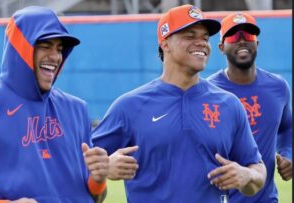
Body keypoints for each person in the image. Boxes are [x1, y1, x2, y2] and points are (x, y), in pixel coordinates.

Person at [89, 5, 266, 202]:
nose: (202, 43)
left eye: (205, 38)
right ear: (165, 44)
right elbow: (80, 165)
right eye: (190, 36)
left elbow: (257, 169)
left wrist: (247, 175)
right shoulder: (130, 106)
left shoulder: (229, 105)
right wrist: (104, 167)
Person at [0, 6, 109, 203]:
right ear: (21, 48)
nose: (55, 57)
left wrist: (98, 180)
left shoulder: (76, 109)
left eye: (59, 49)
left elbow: (95, 197)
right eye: (45, 46)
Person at [207, 12, 292, 203]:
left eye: (249, 36)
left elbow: (287, 128)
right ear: (221, 47)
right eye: (234, 36)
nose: (242, 41)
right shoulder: (207, 92)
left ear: (257, 44)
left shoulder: (278, 87)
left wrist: (288, 155)